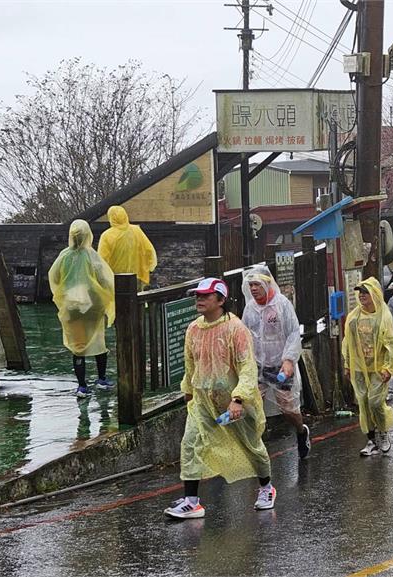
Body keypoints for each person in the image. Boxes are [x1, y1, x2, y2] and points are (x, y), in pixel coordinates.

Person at [164, 277, 276, 519]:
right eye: (198, 296)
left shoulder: (236, 329)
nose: (199, 300)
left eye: (205, 296)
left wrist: (238, 399)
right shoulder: (193, 329)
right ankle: (191, 501)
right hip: (203, 400)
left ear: (221, 300)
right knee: (191, 442)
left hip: (233, 402)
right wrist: (189, 391)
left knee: (251, 445)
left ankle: (266, 487)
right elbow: (190, 363)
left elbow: (247, 367)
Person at [240, 265, 311, 459]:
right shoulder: (250, 308)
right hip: (258, 366)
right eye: (250, 285)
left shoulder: (282, 304)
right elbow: (244, 336)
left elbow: (293, 333)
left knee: (288, 409)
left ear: (267, 283)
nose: (253, 289)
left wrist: (288, 360)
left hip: (280, 366)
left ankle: (301, 431)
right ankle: (255, 449)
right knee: (252, 407)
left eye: (256, 284)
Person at [48, 219, 115, 398]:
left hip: (71, 308)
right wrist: (106, 297)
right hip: (92, 307)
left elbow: (53, 276)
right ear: (88, 235)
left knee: (78, 347)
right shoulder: (92, 256)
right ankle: (101, 379)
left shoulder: (64, 255)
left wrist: (62, 295)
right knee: (98, 341)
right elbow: (105, 279)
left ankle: (82, 386)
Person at [342, 277, 393, 457]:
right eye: (360, 292)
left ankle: (383, 431)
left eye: (366, 292)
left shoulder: (384, 315)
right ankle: (371, 440)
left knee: (375, 401)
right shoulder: (354, 317)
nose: (362, 296)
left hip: (378, 367)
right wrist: (347, 363)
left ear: (374, 293)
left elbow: (391, 343)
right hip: (359, 367)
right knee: (364, 402)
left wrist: (389, 367)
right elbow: (347, 342)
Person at [97, 205, 157, 290]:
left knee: (118, 302)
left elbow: (101, 261)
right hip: (136, 278)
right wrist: (148, 268)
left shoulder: (107, 236)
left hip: (115, 280)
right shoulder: (137, 231)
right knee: (137, 301)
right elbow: (149, 251)